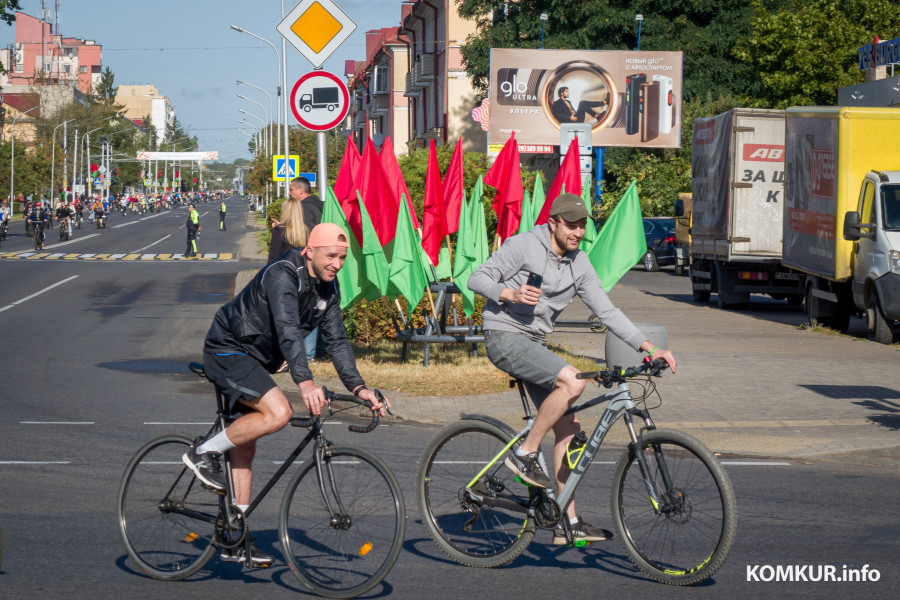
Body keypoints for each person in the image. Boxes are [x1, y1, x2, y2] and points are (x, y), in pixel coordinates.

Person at [467, 192, 677, 546]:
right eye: (571, 225)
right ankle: (523, 454)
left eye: (582, 226)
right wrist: (510, 294)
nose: (578, 232)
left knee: (569, 426)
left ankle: (570, 522)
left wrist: (649, 346)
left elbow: (607, 312)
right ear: (553, 223)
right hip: (504, 335)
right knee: (572, 381)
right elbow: (476, 278)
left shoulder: (580, 263)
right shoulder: (524, 246)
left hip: (533, 343)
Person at [182, 223, 389, 566]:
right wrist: (304, 383)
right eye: (331, 256)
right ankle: (203, 451)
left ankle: (235, 538)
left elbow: (337, 341)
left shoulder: (327, 288)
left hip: (257, 359)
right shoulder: (282, 274)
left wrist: (359, 387)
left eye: (342, 257)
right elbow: (288, 329)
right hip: (228, 349)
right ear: (310, 252)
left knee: (244, 446)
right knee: (279, 413)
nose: (337, 263)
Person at [287, 177, 326, 359]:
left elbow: (307, 238)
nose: (290, 193)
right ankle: (321, 350)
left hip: (312, 264)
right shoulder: (320, 203)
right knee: (323, 307)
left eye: (291, 190)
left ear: (300, 191)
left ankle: (309, 354)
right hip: (326, 262)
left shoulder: (304, 208)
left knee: (308, 309)